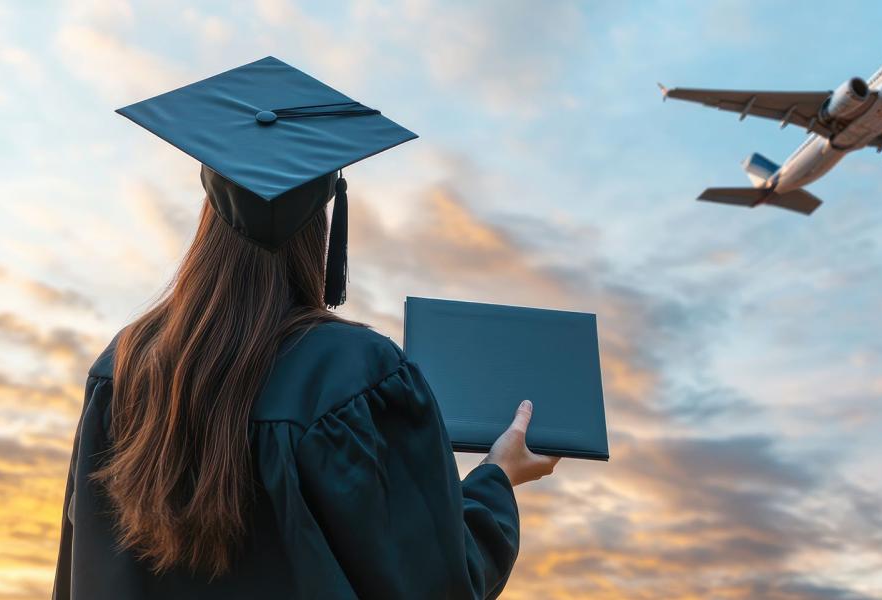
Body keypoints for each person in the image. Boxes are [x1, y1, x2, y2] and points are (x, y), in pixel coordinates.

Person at [51, 57, 559, 600]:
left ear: (209, 208)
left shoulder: (123, 369)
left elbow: (78, 574)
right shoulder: (356, 376)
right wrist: (498, 479)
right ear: (322, 220)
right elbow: (438, 583)